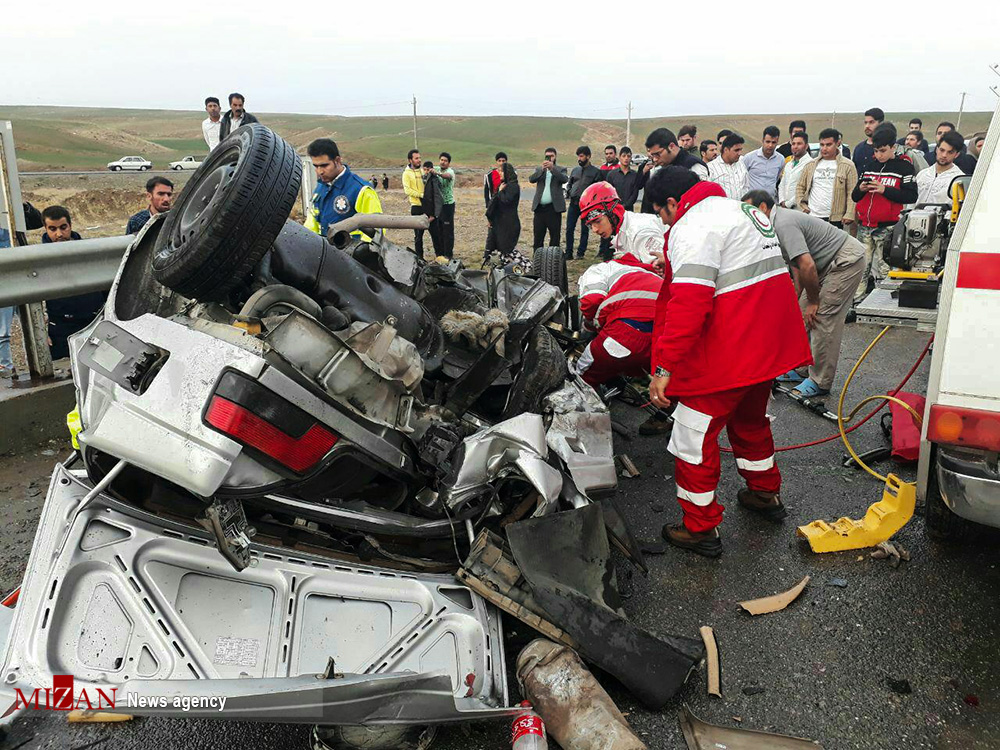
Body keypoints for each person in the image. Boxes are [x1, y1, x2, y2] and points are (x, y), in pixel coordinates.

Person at [645, 167, 811, 557]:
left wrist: (665, 369)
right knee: (750, 422)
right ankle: (764, 494)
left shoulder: (693, 225)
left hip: (729, 352)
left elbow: (689, 304)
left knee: (692, 435)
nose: (666, 223)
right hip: (766, 348)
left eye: (662, 214)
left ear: (672, 203)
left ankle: (699, 528)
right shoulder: (740, 211)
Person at [744, 191, 866, 399]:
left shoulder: (783, 223)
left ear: (763, 207)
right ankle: (802, 367)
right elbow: (798, 266)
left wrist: (814, 301)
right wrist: (797, 296)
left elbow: (807, 265)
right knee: (801, 314)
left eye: (750, 211)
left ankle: (820, 381)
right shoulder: (772, 226)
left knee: (821, 317)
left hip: (845, 261)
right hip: (822, 264)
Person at [574, 183, 664, 412]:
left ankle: (651, 395)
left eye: (596, 221)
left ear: (613, 210)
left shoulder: (642, 232)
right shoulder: (623, 231)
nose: (594, 230)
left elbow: (657, 276)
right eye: (589, 224)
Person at [851, 124, 918, 304]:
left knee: (884, 269)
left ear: (893, 148)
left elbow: (911, 195)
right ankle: (857, 303)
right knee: (861, 267)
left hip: (887, 227)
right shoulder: (869, 165)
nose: (879, 155)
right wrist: (862, 188)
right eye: (876, 151)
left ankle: (884, 305)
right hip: (865, 226)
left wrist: (884, 190)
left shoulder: (904, 167)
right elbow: (855, 196)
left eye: (883, 151)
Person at [41, 206, 107, 360]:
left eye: (63, 227)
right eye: (52, 229)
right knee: (64, 375)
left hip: (93, 322)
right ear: (45, 229)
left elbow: (107, 287)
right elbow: (30, 301)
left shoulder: (89, 252)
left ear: (70, 225)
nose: (59, 234)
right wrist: (41, 333)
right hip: (60, 327)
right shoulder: (39, 258)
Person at [304, 138, 382, 238]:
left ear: (337, 160)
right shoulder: (320, 187)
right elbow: (312, 223)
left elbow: (376, 231)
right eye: (316, 166)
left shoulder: (361, 190)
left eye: (324, 165)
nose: (320, 172)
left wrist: (362, 252)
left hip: (350, 252)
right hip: (323, 250)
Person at [796, 128, 858, 229]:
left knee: (834, 245)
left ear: (837, 143)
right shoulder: (810, 165)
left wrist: (850, 213)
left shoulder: (848, 165)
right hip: (813, 216)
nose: (824, 148)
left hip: (835, 219)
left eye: (828, 145)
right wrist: (802, 206)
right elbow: (800, 187)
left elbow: (852, 192)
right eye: (822, 145)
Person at [640, 128, 709, 214]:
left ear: (671, 146)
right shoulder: (660, 168)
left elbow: (702, 202)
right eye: (652, 155)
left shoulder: (694, 166)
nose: (655, 159)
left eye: (658, 154)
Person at [566, 146, 605, 259]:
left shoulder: (595, 172)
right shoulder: (575, 170)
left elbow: (598, 189)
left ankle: (580, 253)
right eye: (578, 156)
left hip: (586, 206)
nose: (579, 158)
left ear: (588, 156)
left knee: (584, 230)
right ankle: (568, 253)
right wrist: (569, 191)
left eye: (582, 156)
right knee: (569, 228)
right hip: (573, 204)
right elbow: (570, 183)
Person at [528, 146, 568, 249]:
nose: (549, 158)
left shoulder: (561, 169)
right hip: (540, 208)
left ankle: (553, 260)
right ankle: (537, 260)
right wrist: (542, 170)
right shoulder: (539, 169)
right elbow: (531, 179)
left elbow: (564, 179)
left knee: (554, 237)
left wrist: (552, 169)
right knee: (538, 237)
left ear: (555, 157)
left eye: (552, 156)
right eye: (547, 156)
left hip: (553, 209)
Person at [915, 130, 966, 206]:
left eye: (950, 152)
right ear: (936, 149)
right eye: (942, 150)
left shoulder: (958, 179)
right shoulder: (922, 174)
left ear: (956, 155)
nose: (944, 155)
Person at [484, 162, 521, 264]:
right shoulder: (503, 185)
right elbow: (493, 202)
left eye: (501, 171)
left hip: (508, 224)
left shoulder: (513, 186)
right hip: (499, 223)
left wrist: (499, 192)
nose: (499, 173)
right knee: (498, 250)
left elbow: (506, 200)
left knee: (507, 251)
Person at [741, 126, 784, 199]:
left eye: (773, 142)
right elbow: (741, 178)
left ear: (777, 142)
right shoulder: (749, 157)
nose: (770, 145)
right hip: (752, 202)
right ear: (762, 140)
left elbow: (776, 178)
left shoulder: (781, 159)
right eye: (767, 142)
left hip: (770, 202)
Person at [777, 132, 812, 209]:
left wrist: (788, 204)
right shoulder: (789, 164)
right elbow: (782, 184)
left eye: (799, 144)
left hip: (800, 209)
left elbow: (805, 189)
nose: (795, 146)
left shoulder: (810, 164)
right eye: (793, 144)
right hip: (784, 207)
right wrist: (782, 200)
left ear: (806, 146)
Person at [707, 134, 748, 199]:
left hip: (740, 207)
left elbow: (746, 187)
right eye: (736, 150)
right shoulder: (711, 168)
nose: (740, 153)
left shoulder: (741, 163)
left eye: (741, 150)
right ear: (726, 150)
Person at [403, 148, 426, 256]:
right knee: (418, 235)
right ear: (410, 160)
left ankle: (440, 256)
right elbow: (407, 190)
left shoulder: (422, 171)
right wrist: (421, 195)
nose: (419, 160)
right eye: (416, 158)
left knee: (436, 232)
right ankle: (419, 258)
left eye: (419, 158)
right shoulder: (406, 174)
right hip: (416, 206)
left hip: (428, 206)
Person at [605, 147, 643, 211]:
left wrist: (625, 206)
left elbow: (635, 194)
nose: (626, 158)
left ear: (631, 158)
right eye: (624, 156)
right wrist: (615, 205)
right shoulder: (611, 174)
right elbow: (608, 193)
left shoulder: (635, 175)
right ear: (619, 157)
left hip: (629, 210)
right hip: (614, 209)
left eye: (628, 156)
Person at [421, 161, 445, 256]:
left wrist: (435, 214)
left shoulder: (434, 180)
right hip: (425, 212)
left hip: (433, 213)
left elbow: (438, 197)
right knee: (419, 236)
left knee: (436, 237)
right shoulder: (423, 179)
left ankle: (440, 256)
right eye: (425, 169)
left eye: (428, 169)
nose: (426, 171)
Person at [436, 153, 457, 259]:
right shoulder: (436, 168)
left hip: (448, 205)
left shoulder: (450, 172)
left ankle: (448, 254)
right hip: (438, 205)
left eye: (445, 160)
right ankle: (441, 253)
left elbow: (447, 176)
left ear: (448, 163)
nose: (442, 162)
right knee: (439, 229)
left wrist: (438, 174)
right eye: (441, 160)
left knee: (447, 229)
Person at [852, 107, 884, 173]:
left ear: (881, 124)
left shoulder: (887, 148)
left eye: (871, 122)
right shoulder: (859, 148)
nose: (867, 126)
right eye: (865, 123)